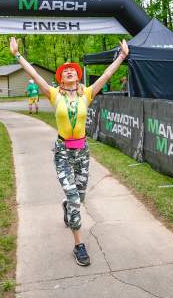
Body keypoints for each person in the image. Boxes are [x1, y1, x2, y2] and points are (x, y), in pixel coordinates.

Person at [9, 36, 129, 267]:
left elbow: (106, 76)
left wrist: (122, 56)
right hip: (63, 153)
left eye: (73, 70)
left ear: (78, 76)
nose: (70, 72)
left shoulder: (87, 94)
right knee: (75, 198)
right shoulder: (54, 95)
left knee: (79, 198)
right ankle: (78, 245)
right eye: (65, 72)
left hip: (82, 153)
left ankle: (67, 206)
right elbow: (34, 74)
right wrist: (17, 55)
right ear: (61, 80)